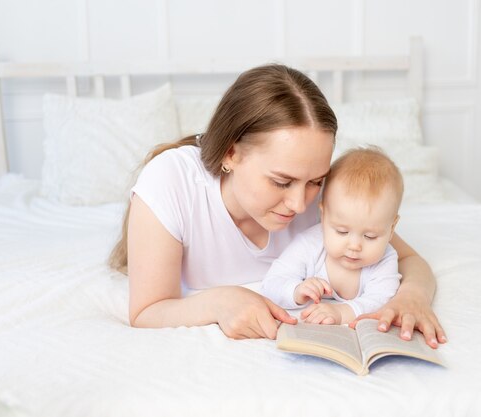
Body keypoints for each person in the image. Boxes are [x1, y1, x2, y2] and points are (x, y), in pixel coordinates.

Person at [108, 64, 447, 348]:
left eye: (316, 181)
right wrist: (221, 301)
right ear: (231, 154)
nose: (301, 204)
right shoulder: (172, 183)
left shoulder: (324, 198)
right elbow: (146, 311)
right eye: (282, 182)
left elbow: (408, 258)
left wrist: (412, 296)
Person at [261, 147, 403, 325]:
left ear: (392, 228)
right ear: (324, 215)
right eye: (342, 232)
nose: (354, 246)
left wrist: (342, 312)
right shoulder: (310, 244)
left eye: (370, 236)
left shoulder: (385, 259)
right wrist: (296, 290)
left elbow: (382, 300)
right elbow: (271, 284)